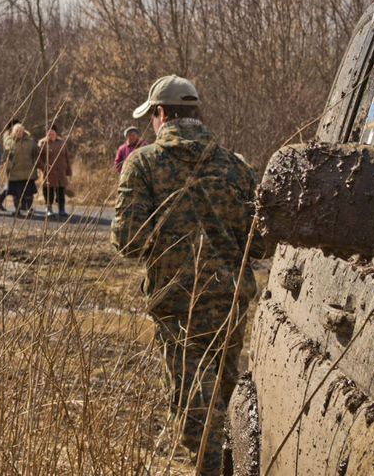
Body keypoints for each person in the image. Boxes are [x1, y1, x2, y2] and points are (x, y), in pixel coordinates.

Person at [111, 75, 264, 475]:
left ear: (160, 114)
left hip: (179, 309)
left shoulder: (143, 163)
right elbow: (261, 245)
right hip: (230, 305)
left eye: (152, 118)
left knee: (197, 417)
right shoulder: (237, 166)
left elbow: (128, 240)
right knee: (227, 406)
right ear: (195, 113)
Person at [3, 123, 38, 217]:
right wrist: (9, 164)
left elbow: (36, 154)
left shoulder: (31, 141)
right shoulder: (9, 141)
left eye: (21, 131)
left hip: (28, 172)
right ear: (13, 132)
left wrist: (35, 164)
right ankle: (17, 210)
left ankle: (28, 210)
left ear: (24, 131)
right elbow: (5, 156)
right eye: (17, 131)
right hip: (15, 173)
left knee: (28, 193)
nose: (19, 133)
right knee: (16, 194)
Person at [37, 124, 72, 218]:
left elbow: (67, 157)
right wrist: (43, 167)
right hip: (48, 172)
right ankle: (49, 209)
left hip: (61, 171)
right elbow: (38, 158)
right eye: (49, 132)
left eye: (52, 132)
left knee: (61, 191)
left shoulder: (61, 142)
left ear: (56, 133)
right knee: (49, 191)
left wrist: (68, 171)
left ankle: (61, 209)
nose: (50, 134)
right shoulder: (42, 143)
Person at [0, 118, 20, 212]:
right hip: (10, 164)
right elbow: (8, 147)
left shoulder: (9, 134)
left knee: (11, 185)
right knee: (11, 186)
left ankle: (0, 201)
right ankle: (16, 206)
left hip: (15, 164)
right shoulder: (8, 135)